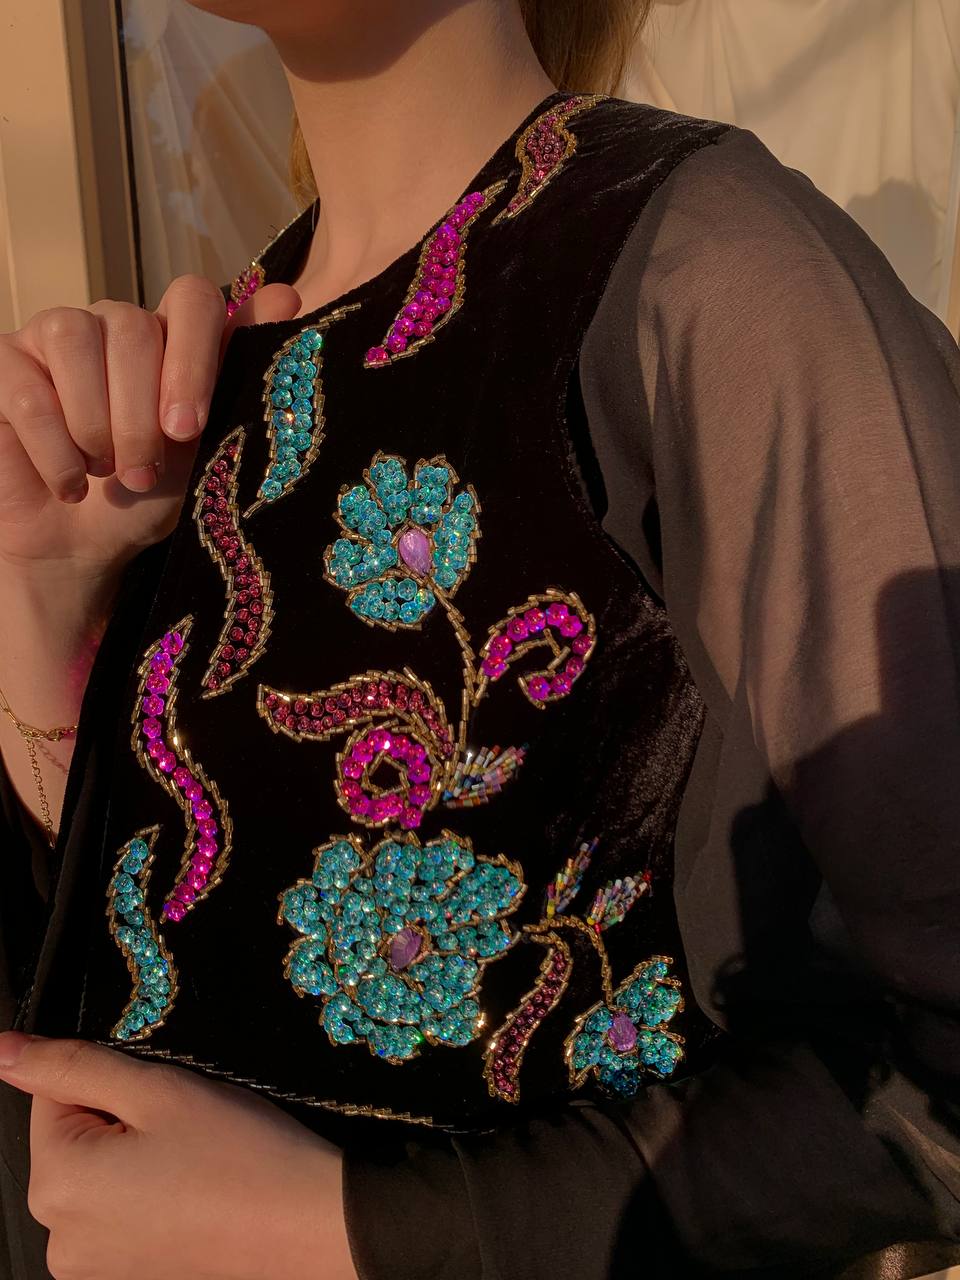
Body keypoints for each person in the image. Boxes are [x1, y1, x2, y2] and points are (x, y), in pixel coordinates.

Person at [0, 1, 958, 1277]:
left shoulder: (715, 274)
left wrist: (343, 1227)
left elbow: (938, 1071)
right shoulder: (225, 356)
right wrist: (48, 609)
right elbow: (168, 954)